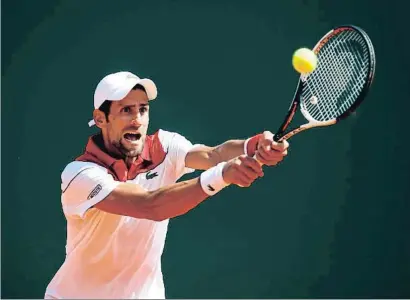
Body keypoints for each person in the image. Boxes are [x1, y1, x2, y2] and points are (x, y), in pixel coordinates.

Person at [44, 71, 289, 299]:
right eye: (126, 110)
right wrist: (222, 176)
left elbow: (213, 155)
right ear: (100, 118)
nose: (137, 120)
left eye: (143, 109)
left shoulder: (164, 146)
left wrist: (254, 145)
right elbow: (149, 206)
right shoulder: (80, 175)